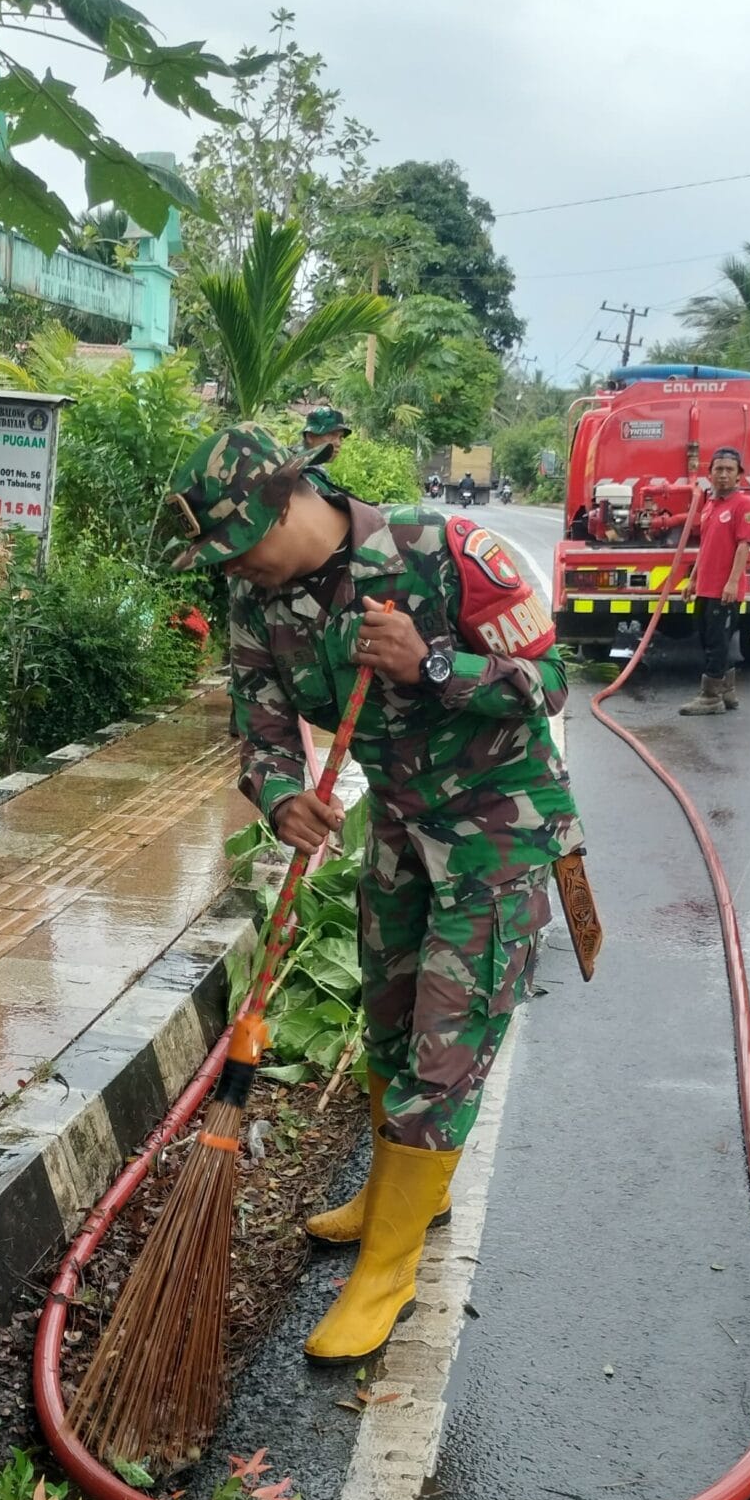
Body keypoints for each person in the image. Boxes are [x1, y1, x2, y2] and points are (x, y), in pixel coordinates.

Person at [160, 426, 585, 1361]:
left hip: (497, 832)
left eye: (242, 548)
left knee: (446, 1041)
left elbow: (551, 681)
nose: (237, 570)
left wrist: (436, 663)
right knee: (387, 1018)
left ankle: (389, 1271)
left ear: (289, 500)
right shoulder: (253, 596)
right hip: (397, 828)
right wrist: (280, 796)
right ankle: (392, 1194)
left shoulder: (441, 553)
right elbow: (260, 718)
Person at [679, 448, 750, 716]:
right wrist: (692, 580)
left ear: (739, 476)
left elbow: (743, 546)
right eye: (718, 469)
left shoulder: (743, 504)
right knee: (706, 637)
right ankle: (727, 690)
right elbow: (705, 547)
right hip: (705, 588)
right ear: (709, 473)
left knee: (717, 642)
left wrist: (732, 583)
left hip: (724, 590)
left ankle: (710, 696)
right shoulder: (710, 505)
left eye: (729, 470)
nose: (723, 474)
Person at [298, 405, 351, 485]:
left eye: (340, 437)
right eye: (331, 435)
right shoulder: (301, 472)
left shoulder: (312, 465)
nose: (338, 443)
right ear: (310, 436)